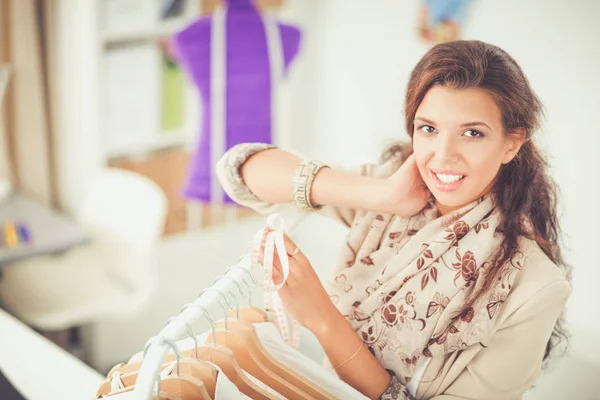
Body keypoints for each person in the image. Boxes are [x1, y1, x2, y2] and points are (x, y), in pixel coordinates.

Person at [216, 40, 571, 399]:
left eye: (472, 133)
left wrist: (323, 320)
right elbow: (240, 172)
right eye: (428, 129)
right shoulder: (394, 190)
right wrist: (380, 195)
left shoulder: (535, 286)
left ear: (511, 144)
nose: (443, 156)